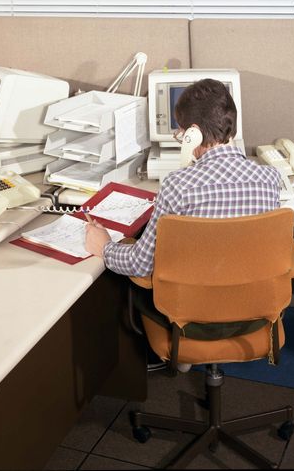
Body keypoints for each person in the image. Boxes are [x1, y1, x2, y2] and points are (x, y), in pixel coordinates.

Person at [85, 78, 282, 370]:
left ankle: (180, 359)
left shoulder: (178, 186)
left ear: (192, 134)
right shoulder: (270, 178)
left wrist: (106, 248)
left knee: (136, 282)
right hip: (254, 318)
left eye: (181, 131)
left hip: (189, 324)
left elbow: (141, 265)